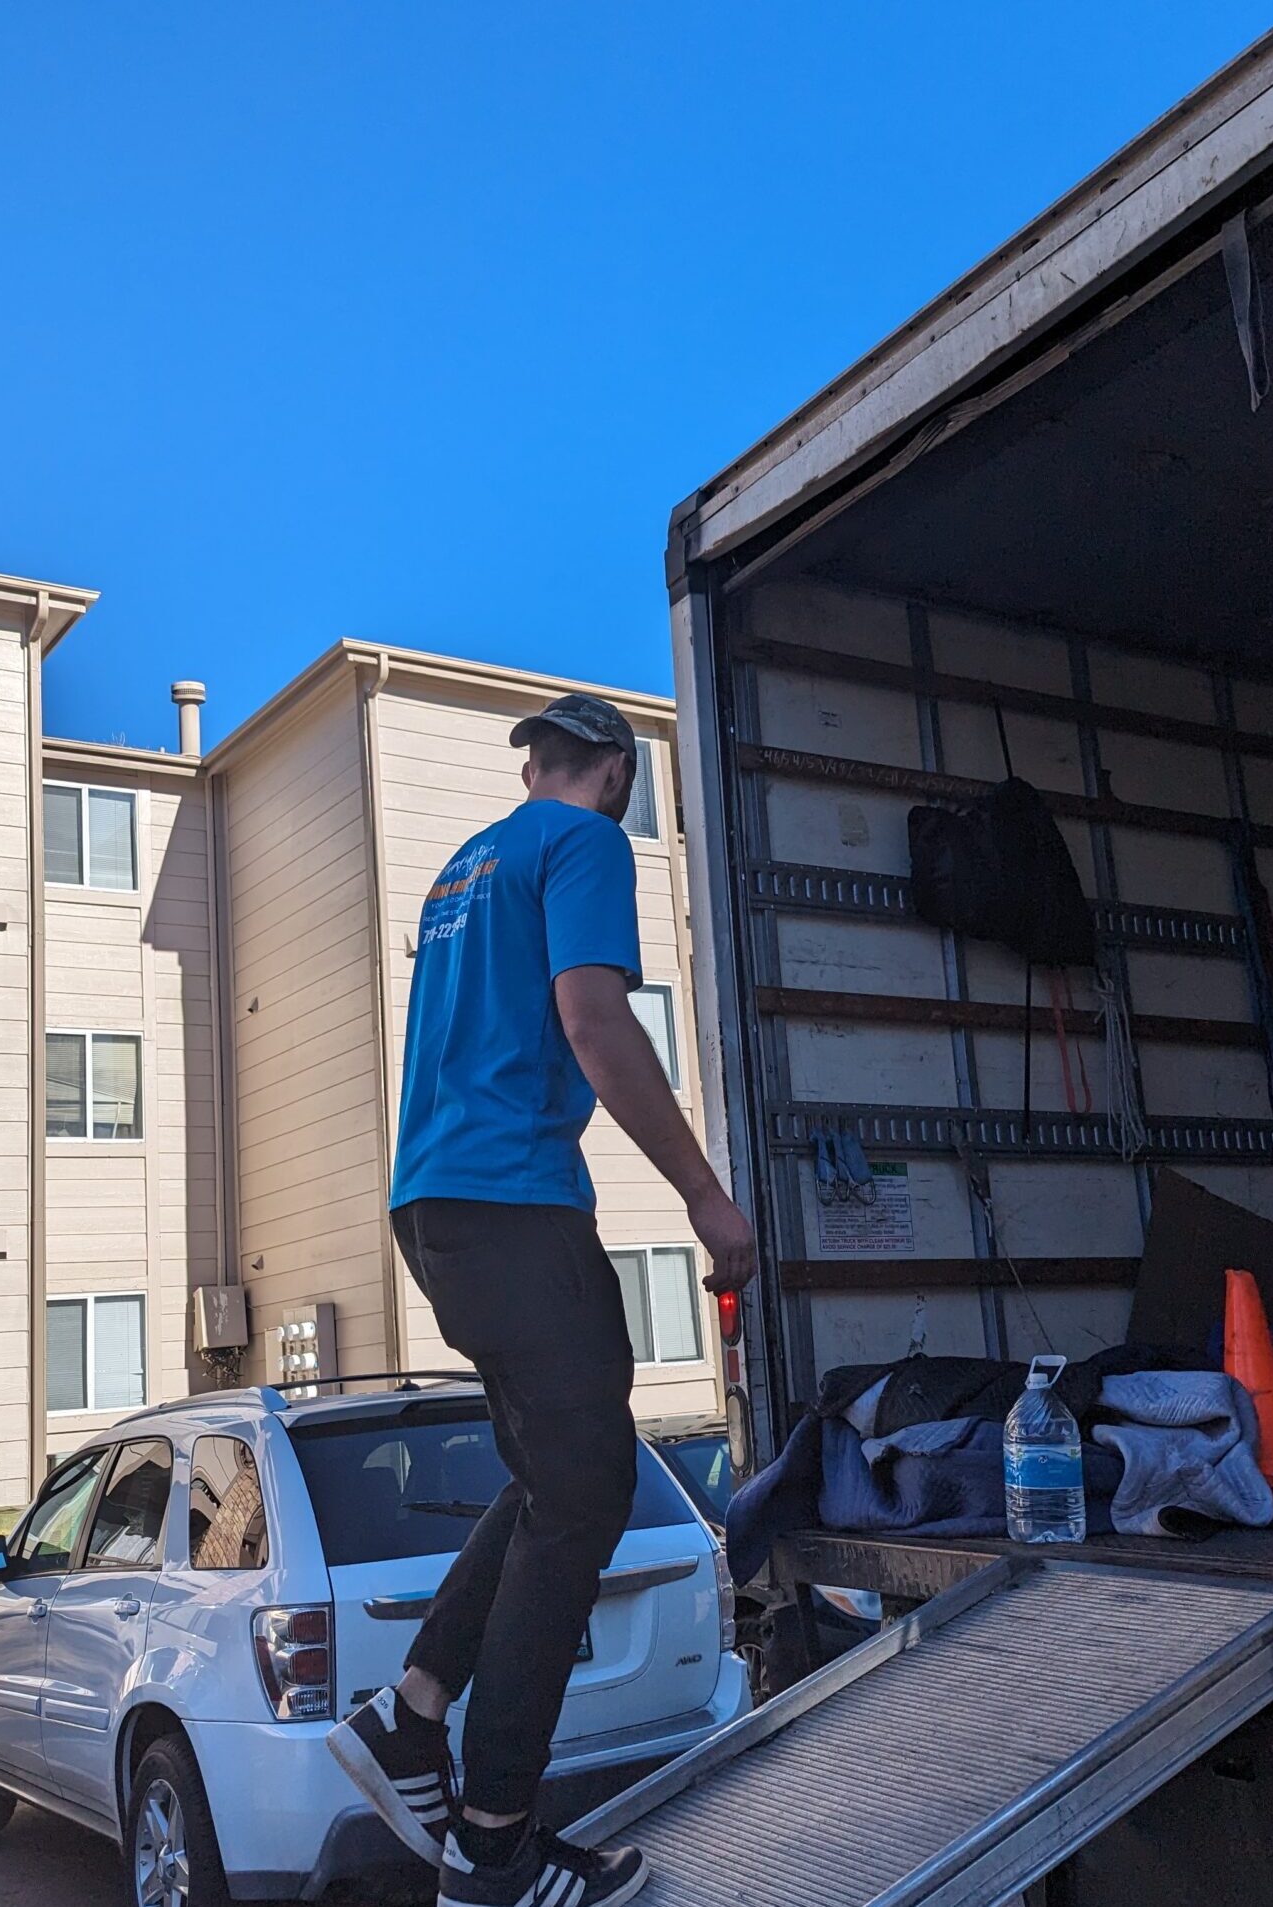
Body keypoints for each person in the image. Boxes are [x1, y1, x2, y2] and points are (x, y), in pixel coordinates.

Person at [328, 691, 756, 1907]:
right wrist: (704, 1199)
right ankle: (494, 1835)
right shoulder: (586, 842)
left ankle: (410, 1716)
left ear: (538, 765)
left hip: (435, 1204)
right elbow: (590, 1015)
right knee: (591, 1487)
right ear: (614, 770)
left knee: (551, 1470)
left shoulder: (466, 865)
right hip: (513, 1202)